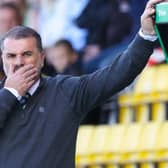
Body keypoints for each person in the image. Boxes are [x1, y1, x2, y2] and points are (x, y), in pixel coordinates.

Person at [0, 0, 162, 167]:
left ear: (42, 58)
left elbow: (117, 74)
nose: (18, 62)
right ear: (2, 59)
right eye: (11, 56)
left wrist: (146, 34)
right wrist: (11, 92)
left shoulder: (65, 91)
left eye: (26, 54)